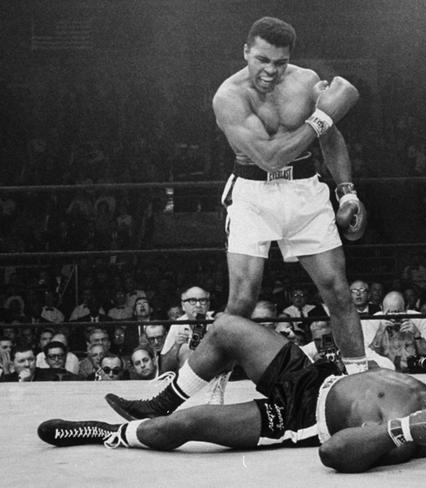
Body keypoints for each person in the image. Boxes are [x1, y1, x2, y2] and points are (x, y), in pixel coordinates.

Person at [104, 16, 368, 417]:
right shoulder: (228, 96)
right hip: (252, 194)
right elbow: (269, 156)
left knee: (338, 292)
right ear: (246, 51)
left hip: (305, 191)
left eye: (279, 62)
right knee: (240, 302)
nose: (270, 70)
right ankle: (205, 392)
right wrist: (324, 113)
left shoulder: (305, 80)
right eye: (262, 59)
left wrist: (347, 191)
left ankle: (360, 389)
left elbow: (331, 140)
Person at [38, 313, 426, 472]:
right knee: (231, 328)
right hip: (313, 375)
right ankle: (160, 396)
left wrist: (408, 430)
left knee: (182, 431)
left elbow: (333, 455)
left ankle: (112, 434)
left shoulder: (415, 437)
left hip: (299, 418)